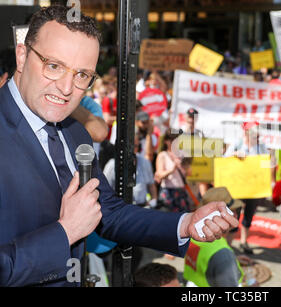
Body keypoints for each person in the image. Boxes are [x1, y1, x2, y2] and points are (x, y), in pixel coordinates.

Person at [0, 5, 238, 287]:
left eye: (82, 75)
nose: (66, 88)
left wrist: (184, 223)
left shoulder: (76, 132)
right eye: (54, 66)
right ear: (22, 55)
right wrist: (64, 233)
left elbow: (108, 211)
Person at [224, 121, 275, 254]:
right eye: (254, 131)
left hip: (254, 187)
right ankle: (227, 245)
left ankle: (243, 242)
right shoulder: (237, 144)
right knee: (234, 215)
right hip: (238, 187)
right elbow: (223, 161)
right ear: (246, 132)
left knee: (249, 214)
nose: (257, 133)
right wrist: (235, 155)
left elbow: (267, 164)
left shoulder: (262, 147)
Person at [183, 187, 249, 287]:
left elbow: (205, 261)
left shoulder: (194, 235)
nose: (236, 215)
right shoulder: (223, 253)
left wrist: (233, 261)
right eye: (233, 211)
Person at [103, 133, 158, 208]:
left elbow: (151, 185)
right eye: (129, 146)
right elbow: (105, 191)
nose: (132, 149)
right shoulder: (112, 165)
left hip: (142, 207)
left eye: (135, 146)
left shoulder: (145, 162)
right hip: (121, 208)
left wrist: (153, 201)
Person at [155, 130, 191, 213]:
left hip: (181, 191)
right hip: (168, 191)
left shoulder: (182, 154)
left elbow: (189, 173)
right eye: (172, 140)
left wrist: (184, 167)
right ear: (166, 141)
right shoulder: (162, 155)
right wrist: (172, 169)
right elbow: (159, 174)